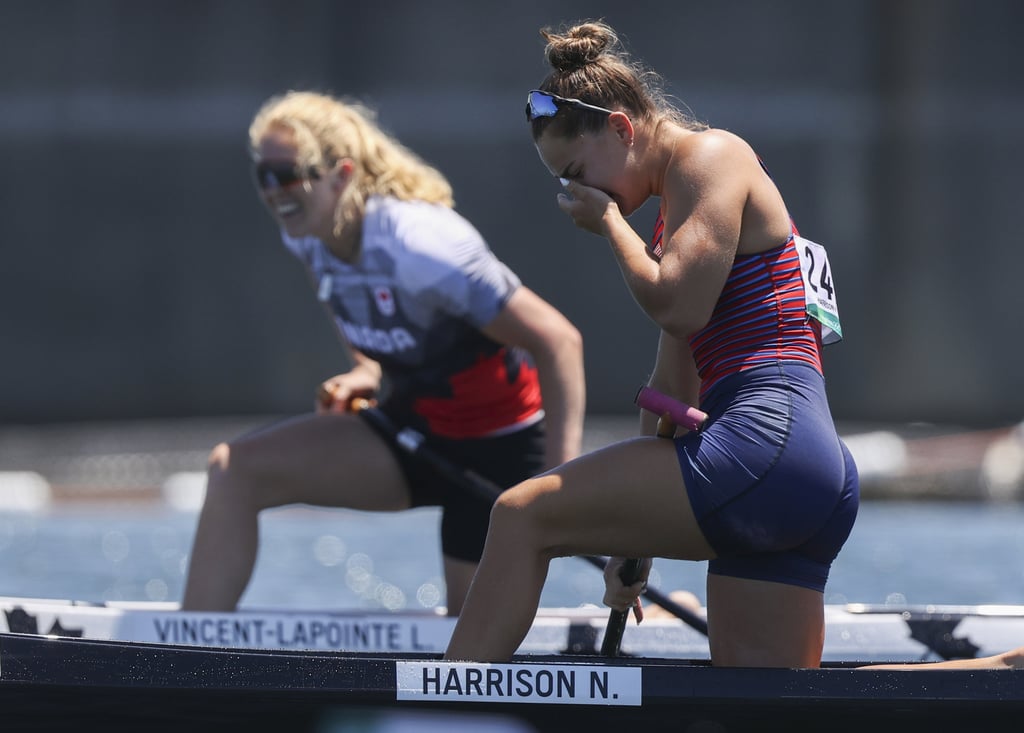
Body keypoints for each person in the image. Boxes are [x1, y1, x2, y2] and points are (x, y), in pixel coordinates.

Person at [445, 21, 1024, 671]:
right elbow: (671, 389)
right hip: (800, 478)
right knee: (776, 703)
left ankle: (437, 708)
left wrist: (610, 225)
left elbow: (678, 303)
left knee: (521, 513)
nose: (577, 195)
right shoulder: (682, 218)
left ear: (620, 129)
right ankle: (1001, 674)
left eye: (578, 174)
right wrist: (633, 541)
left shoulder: (711, 157)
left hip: (762, 453)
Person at [181, 90, 586, 616]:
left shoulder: (421, 246)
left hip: (499, 458)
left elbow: (558, 340)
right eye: (264, 175)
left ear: (341, 175)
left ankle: (670, 612)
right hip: (411, 437)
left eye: (289, 174)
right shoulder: (307, 234)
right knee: (233, 470)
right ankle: (187, 648)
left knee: (472, 648)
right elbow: (352, 303)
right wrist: (366, 370)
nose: (274, 191)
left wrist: (561, 487)